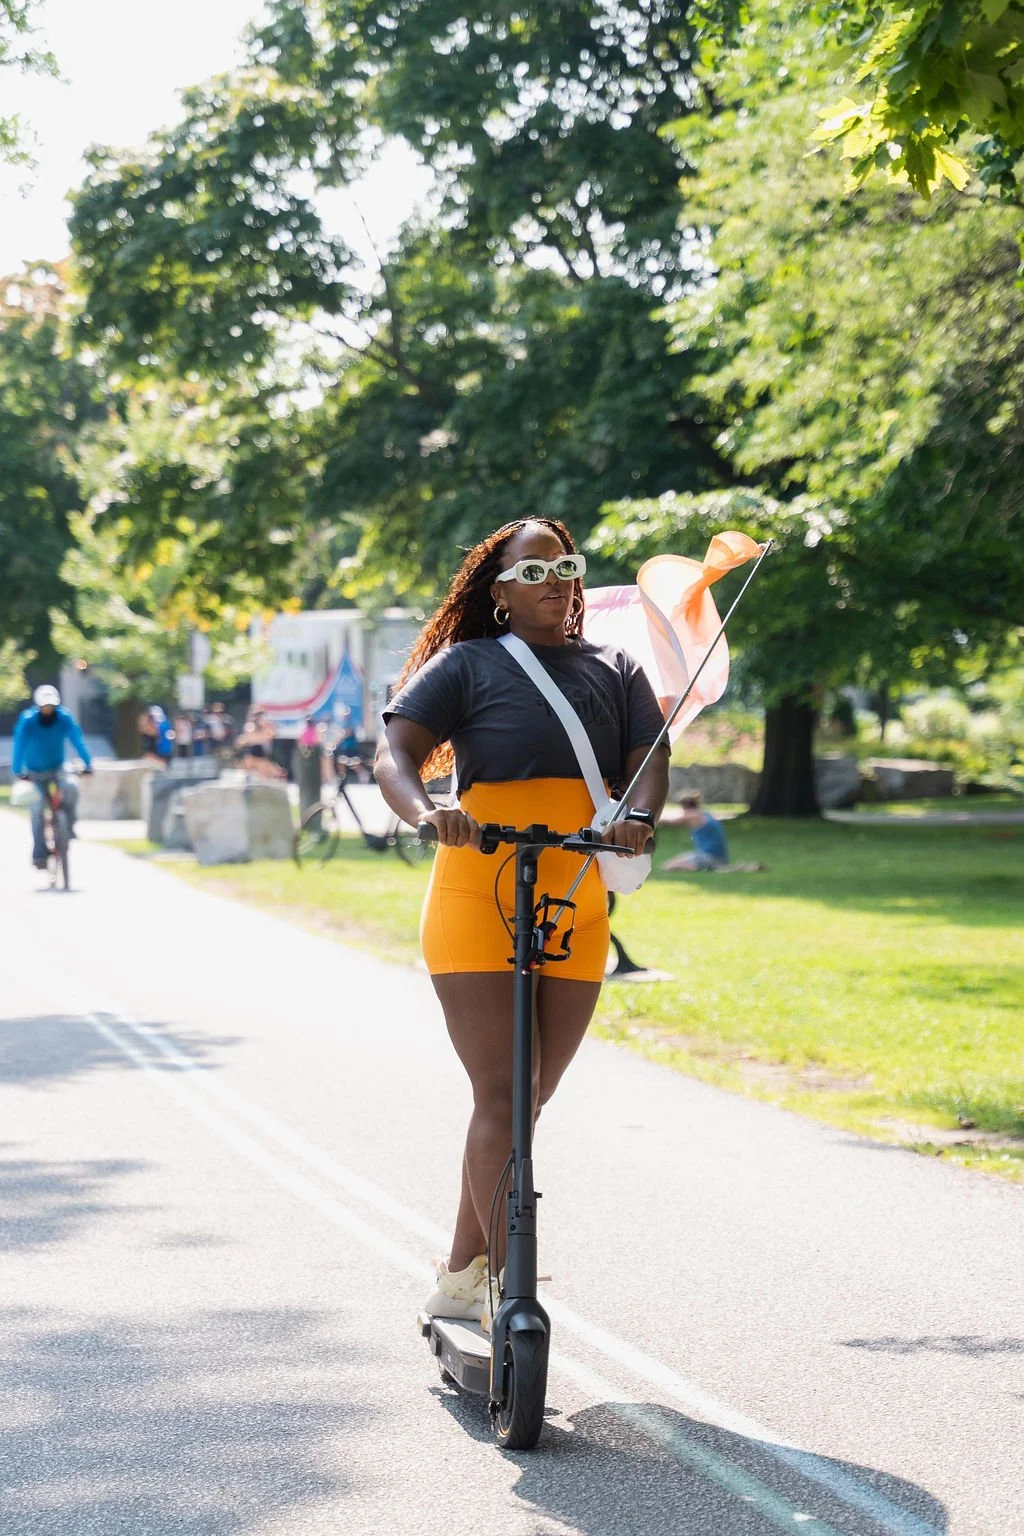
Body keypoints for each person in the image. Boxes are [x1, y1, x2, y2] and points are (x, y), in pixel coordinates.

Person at [375, 518, 669, 1327]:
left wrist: (637, 818)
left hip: (574, 889)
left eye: (567, 566)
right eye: (534, 570)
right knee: (502, 1095)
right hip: (475, 888)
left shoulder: (615, 667)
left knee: (528, 1098)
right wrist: (428, 812)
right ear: (498, 590)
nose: (557, 580)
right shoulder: (466, 665)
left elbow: (651, 762)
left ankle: (463, 1271)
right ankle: (515, 1296)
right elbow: (393, 755)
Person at [12, 685, 94, 869]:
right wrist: (18, 770)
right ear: (38, 705)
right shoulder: (28, 720)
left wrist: (88, 763)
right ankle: (39, 854)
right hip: (34, 771)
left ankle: (68, 827)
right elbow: (19, 745)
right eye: (44, 706)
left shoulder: (64, 718)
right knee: (37, 809)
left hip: (58, 767)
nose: (48, 709)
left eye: (51, 705)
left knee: (71, 788)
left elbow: (77, 739)